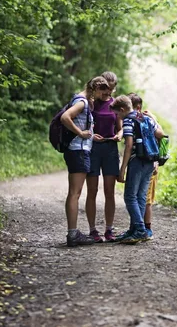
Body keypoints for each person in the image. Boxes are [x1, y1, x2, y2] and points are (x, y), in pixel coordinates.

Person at [60, 76, 110, 247]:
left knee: (75, 192)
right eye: (102, 92)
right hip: (78, 151)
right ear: (96, 88)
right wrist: (80, 133)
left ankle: (73, 233)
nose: (103, 95)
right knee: (75, 193)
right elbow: (65, 117)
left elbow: (80, 122)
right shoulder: (82, 102)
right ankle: (72, 234)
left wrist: (89, 134)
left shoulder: (80, 100)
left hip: (79, 149)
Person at [116, 93, 166, 244]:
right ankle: (134, 229)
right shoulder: (147, 118)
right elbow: (161, 134)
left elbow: (129, 145)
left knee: (130, 197)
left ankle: (139, 230)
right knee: (141, 197)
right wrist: (154, 119)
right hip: (150, 161)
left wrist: (122, 168)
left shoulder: (128, 121)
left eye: (118, 113)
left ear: (123, 109)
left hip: (137, 160)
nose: (118, 116)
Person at [85, 71, 122, 242]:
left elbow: (120, 127)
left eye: (111, 89)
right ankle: (93, 230)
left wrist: (119, 134)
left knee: (109, 191)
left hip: (110, 148)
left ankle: (109, 229)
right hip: (93, 149)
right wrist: (91, 135)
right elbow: (83, 125)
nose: (108, 92)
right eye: (105, 88)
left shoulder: (115, 105)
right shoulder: (90, 104)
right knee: (92, 190)